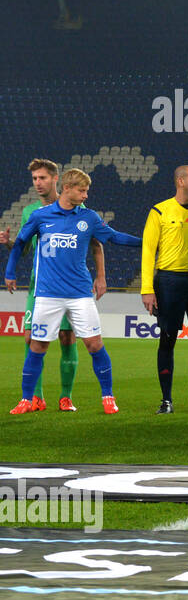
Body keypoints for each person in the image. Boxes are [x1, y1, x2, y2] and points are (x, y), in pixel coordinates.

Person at [6, 168, 141, 415]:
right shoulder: (40, 216)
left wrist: (146, 242)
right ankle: (27, 399)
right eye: (82, 190)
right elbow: (21, 244)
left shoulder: (88, 217)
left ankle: (108, 397)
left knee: (94, 344)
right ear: (67, 189)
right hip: (47, 294)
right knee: (37, 346)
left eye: (87, 190)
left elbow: (113, 238)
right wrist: (10, 272)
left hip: (79, 294)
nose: (86, 195)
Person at [11, 158, 105, 411]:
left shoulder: (78, 206)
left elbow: (97, 244)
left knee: (67, 337)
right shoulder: (31, 212)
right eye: (34, 179)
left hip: (71, 287)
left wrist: (101, 276)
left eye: (42, 178)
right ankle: (35, 398)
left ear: (56, 180)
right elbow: (27, 247)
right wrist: (10, 243)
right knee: (31, 338)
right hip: (40, 286)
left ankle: (66, 397)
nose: (38, 183)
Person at [141, 164, 188, 413]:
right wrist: (147, 289)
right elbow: (149, 250)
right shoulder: (159, 211)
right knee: (167, 340)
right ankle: (166, 400)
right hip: (168, 283)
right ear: (180, 181)